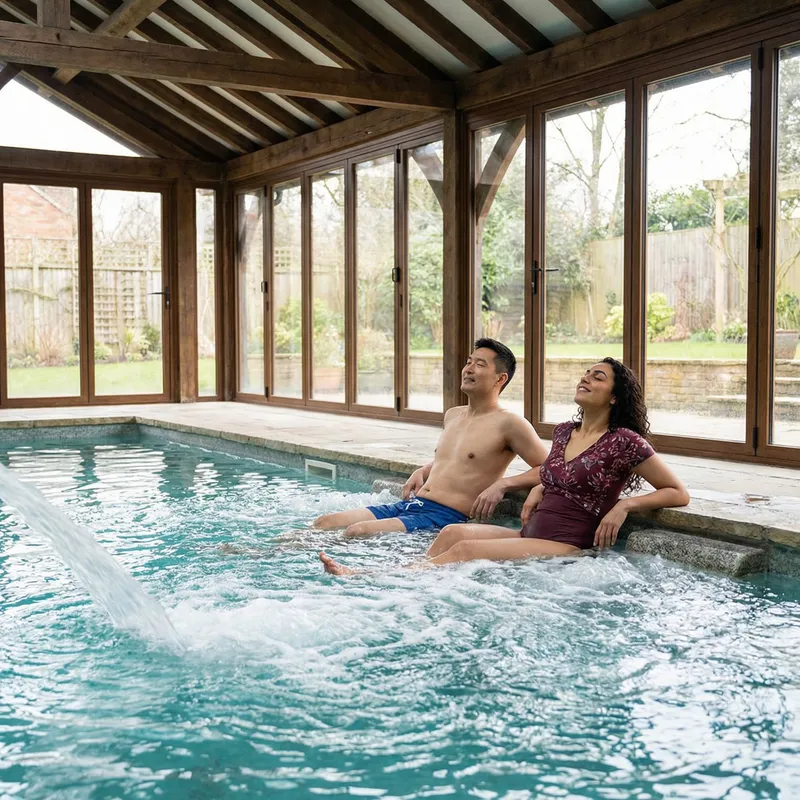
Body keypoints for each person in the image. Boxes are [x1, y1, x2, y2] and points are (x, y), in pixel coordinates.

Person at [319, 358, 690, 575]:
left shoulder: (625, 441)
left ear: (614, 396)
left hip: (568, 543)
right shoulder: (564, 432)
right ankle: (403, 578)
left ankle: (368, 577)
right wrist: (540, 487)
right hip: (534, 533)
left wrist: (623, 506)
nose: (586, 378)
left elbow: (678, 493)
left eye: (598, 377)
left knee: (464, 552)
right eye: (586, 373)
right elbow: (555, 470)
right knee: (451, 534)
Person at [311, 339, 549, 538]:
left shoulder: (510, 423)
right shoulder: (453, 415)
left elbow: (550, 468)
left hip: (445, 516)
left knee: (358, 531)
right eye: (468, 362)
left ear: (500, 379)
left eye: (479, 365)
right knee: (325, 521)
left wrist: (503, 484)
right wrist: (424, 469)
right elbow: (462, 460)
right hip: (412, 506)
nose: (468, 369)